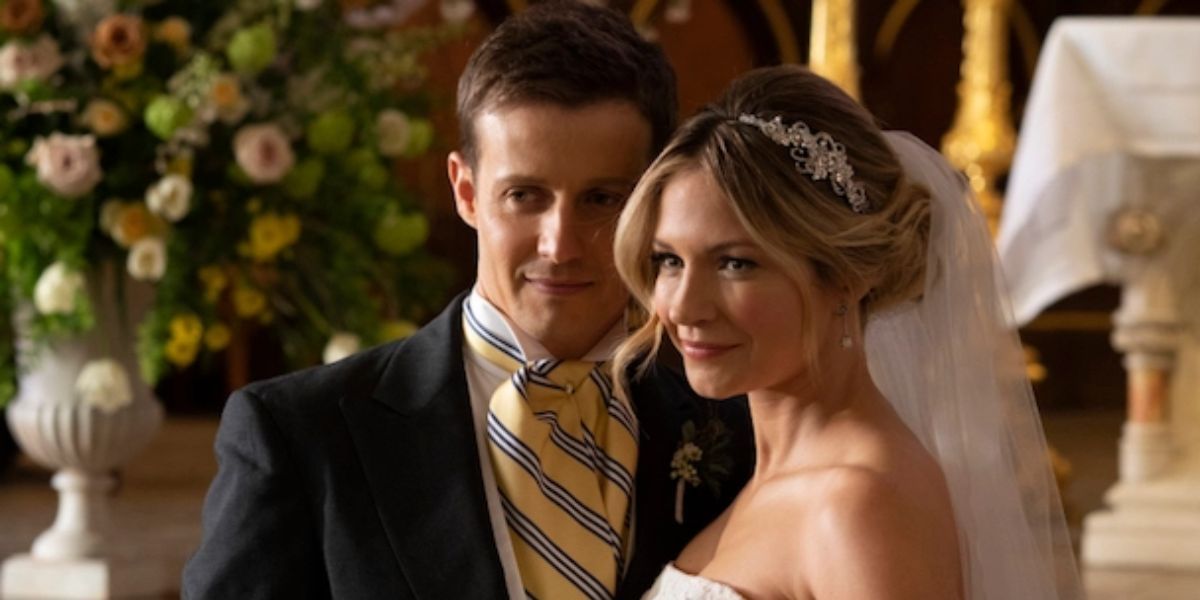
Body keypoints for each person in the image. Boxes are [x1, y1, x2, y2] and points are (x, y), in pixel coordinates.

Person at [182, 3, 752, 599]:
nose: (559, 246)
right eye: (525, 195)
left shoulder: (731, 429)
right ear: (466, 191)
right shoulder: (302, 437)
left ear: (654, 201)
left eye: (602, 199)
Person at [612, 64, 1081, 599]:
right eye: (669, 260)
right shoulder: (767, 470)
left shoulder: (857, 505)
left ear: (847, 276)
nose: (683, 306)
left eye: (735, 264)